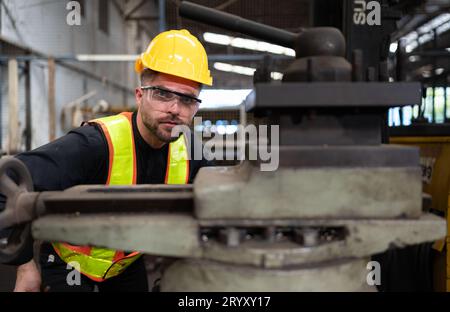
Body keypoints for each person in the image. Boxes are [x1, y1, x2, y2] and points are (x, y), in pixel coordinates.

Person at [5, 29, 213, 292]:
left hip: (126, 268)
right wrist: (25, 267)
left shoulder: (192, 152)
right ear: (140, 95)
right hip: (70, 268)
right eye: (162, 93)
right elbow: (7, 184)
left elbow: (222, 209)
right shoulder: (94, 144)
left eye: (187, 99)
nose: (175, 108)